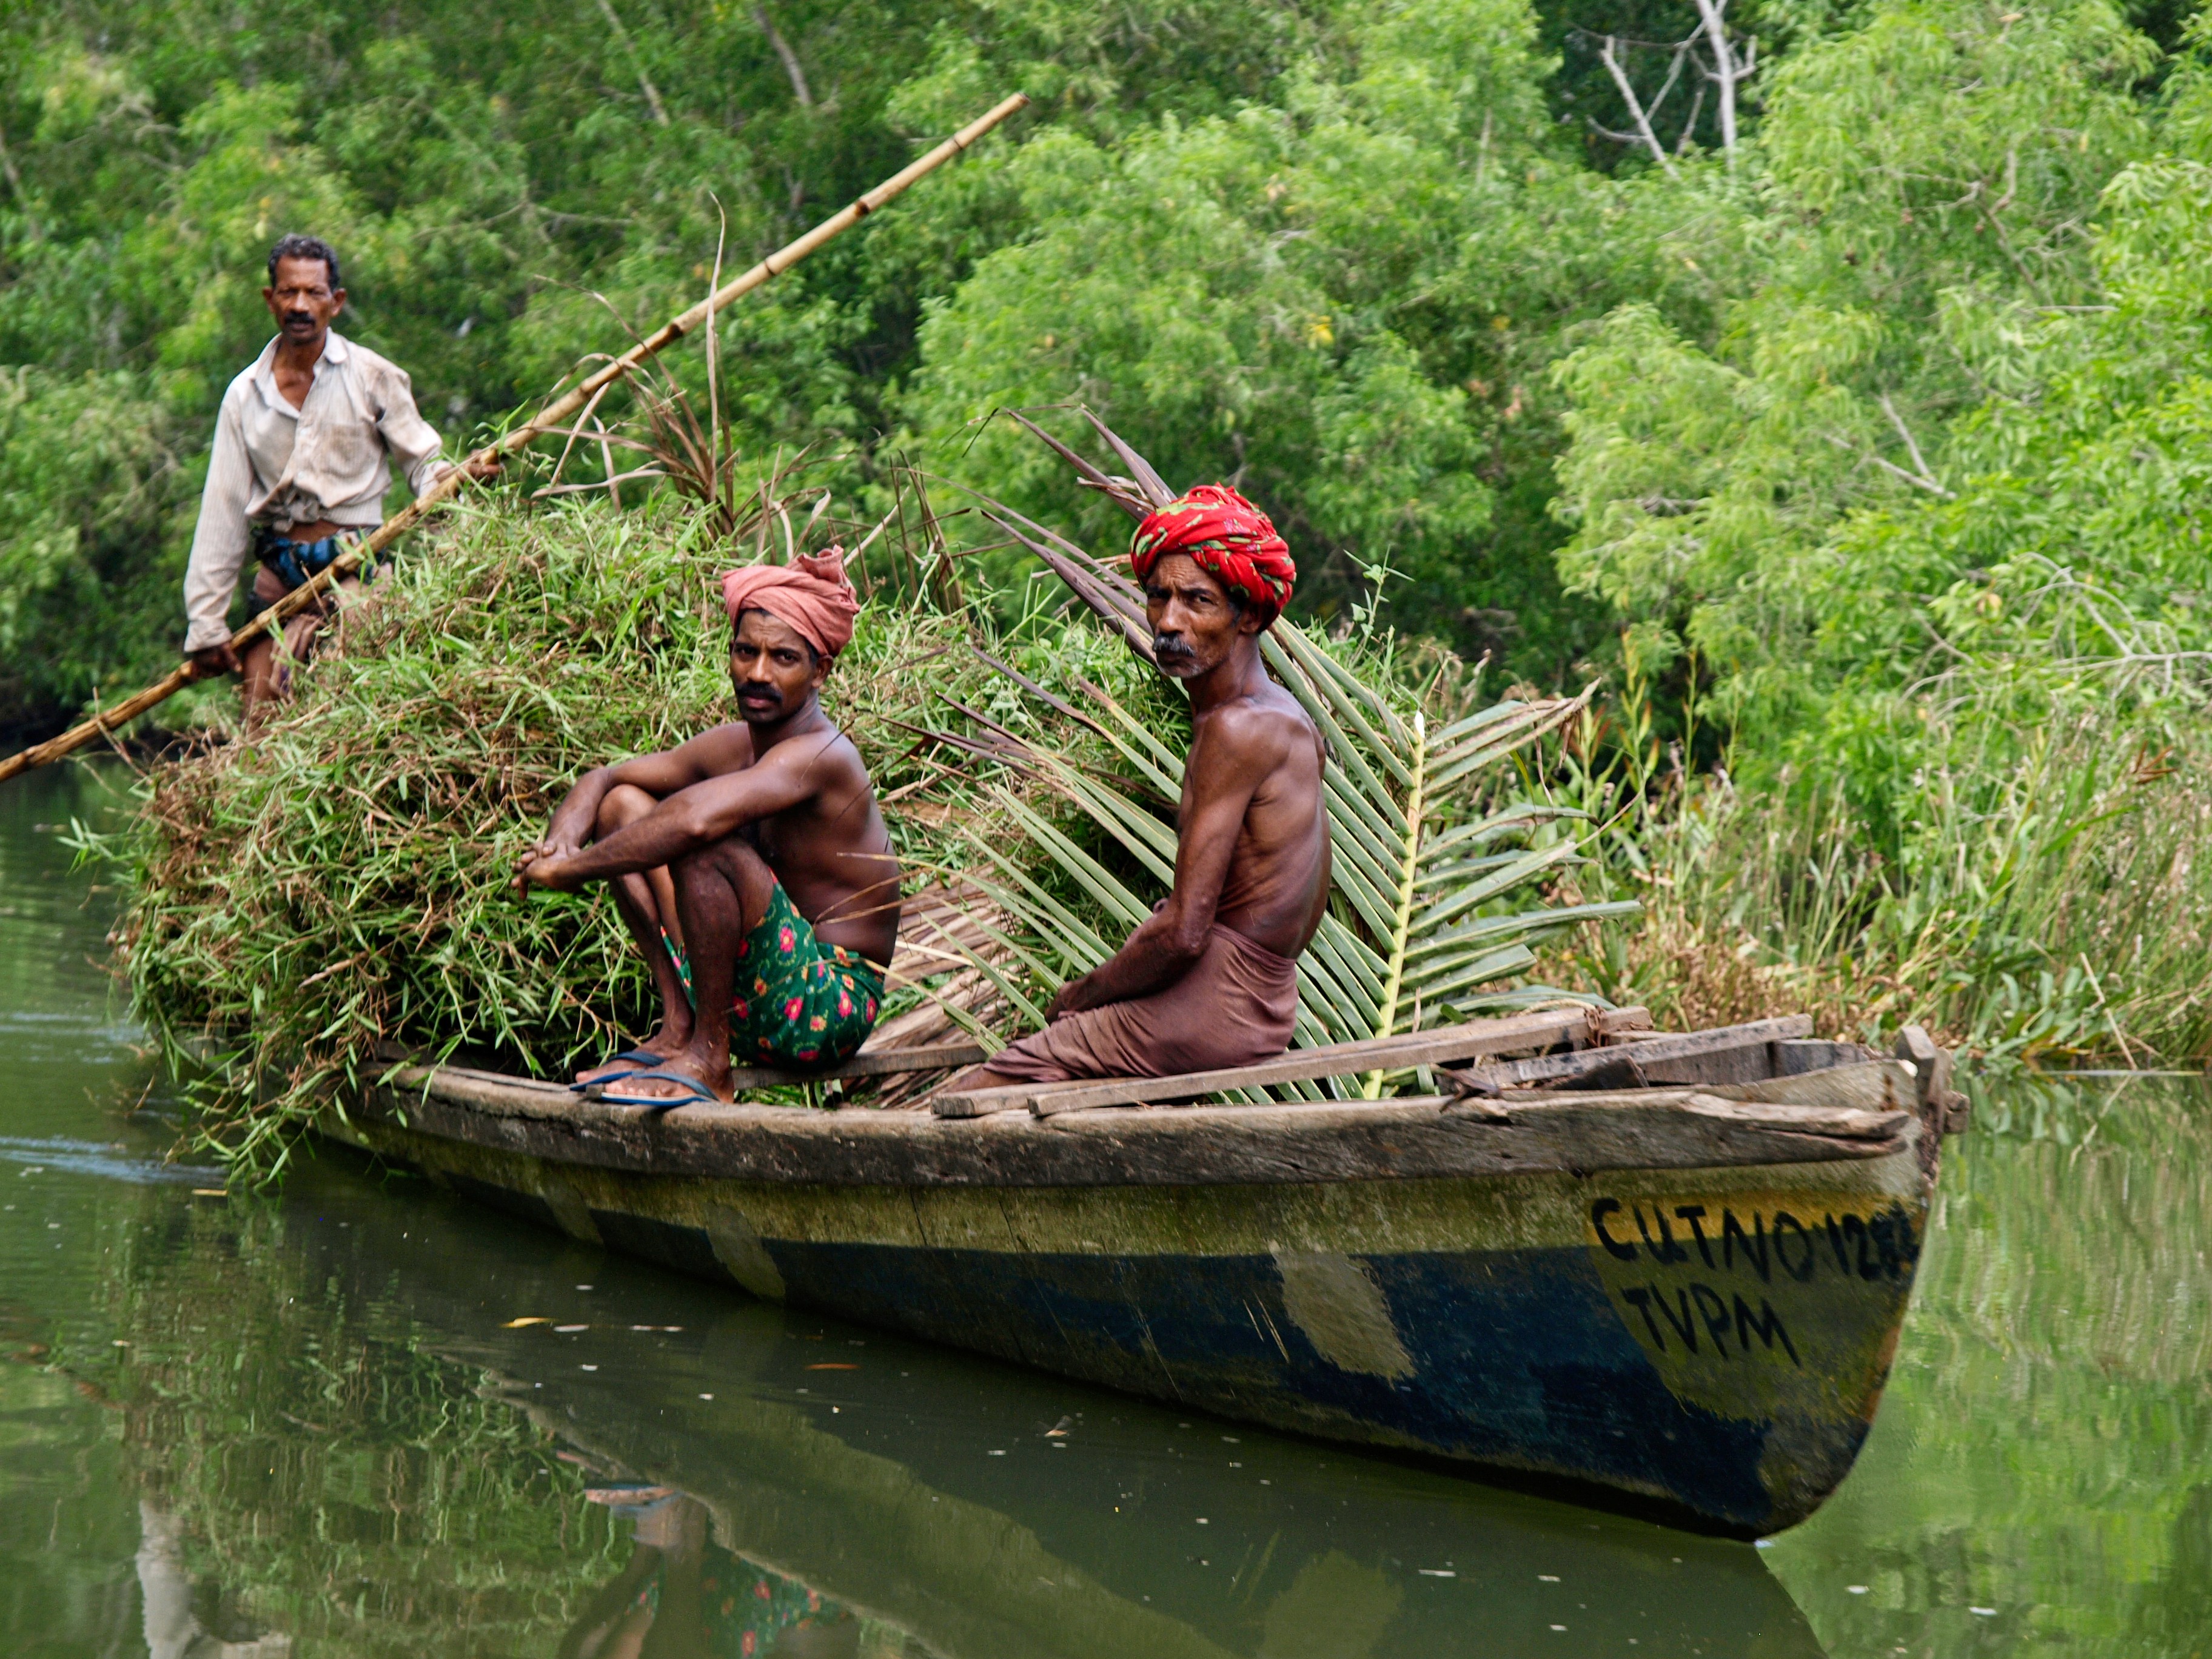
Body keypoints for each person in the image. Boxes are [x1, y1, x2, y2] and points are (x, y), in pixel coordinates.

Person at [953, 484, 1329, 1091]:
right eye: (1159, 597)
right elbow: (1308, 907)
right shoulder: (1288, 717)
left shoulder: (1236, 729)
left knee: (979, 1094)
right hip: (1259, 1001)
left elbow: (1184, 933)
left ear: (1250, 615)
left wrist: (1081, 993)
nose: (1171, 623)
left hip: (1218, 1005)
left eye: (1198, 601)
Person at [515, 549, 899, 1107]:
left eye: (783, 658)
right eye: (746, 652)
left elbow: (695, 822)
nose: (758, 673)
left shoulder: (824, 757)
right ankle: (680, 1025)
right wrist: (561, 843)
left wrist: (571, 871)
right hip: (749, 995)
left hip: (825, 1008)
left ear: (819, 672)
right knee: (624, 806)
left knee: (704, 842)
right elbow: (605, 778)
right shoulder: (735, 745)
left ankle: (710, 1061)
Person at [181, 233, 491, 723]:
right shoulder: (244, 396)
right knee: (259, 732)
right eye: (288, 292)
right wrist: (206, 626)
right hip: (277, 584)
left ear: (336, 302)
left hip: (358, 578)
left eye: (314, 293)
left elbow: (423, 464)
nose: (300, 305)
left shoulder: (372, 376)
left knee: (355, 723)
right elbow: (222, 513)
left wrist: (460, 481)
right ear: (270, 300)